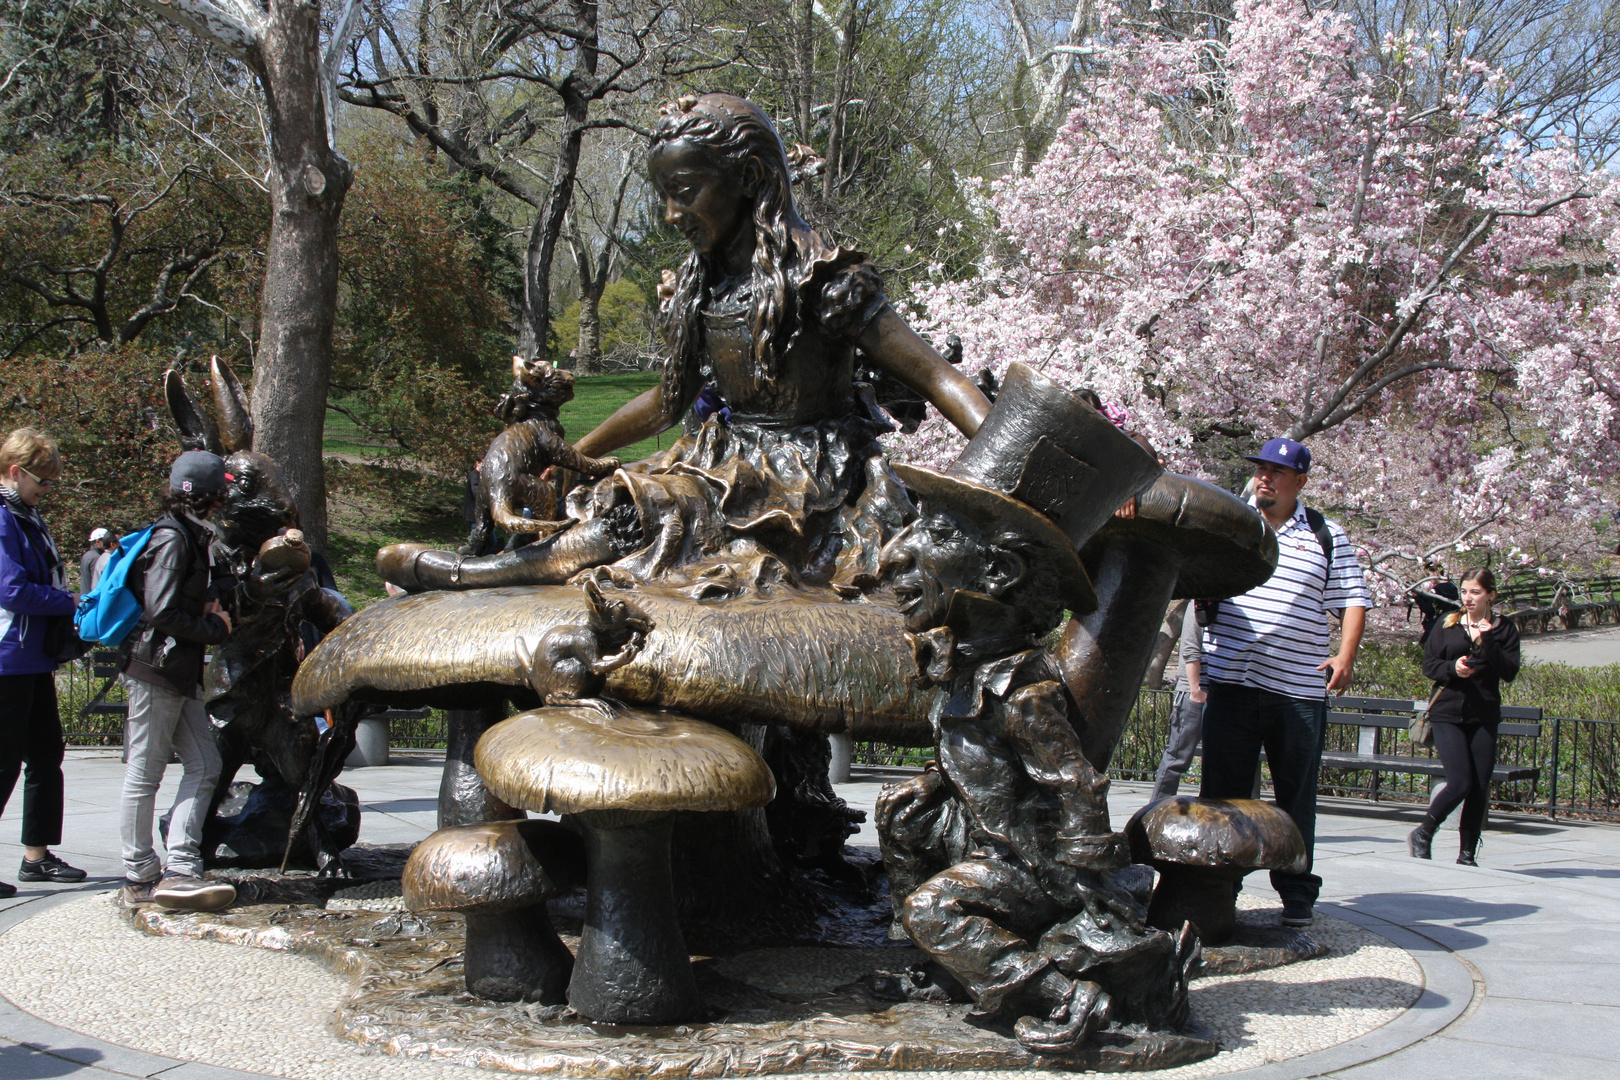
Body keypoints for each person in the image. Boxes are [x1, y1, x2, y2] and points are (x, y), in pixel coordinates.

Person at [377, 92, 988, 595]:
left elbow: (939, 379)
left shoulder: (825, 280)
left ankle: (474, 575)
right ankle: (504, 567)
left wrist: (999, 473)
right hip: (726, 457)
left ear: (748, 179)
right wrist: (573, 456)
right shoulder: (706, 283)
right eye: (664, 194)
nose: (671, 214)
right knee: (609, 493)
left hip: (808, 477)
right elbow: (670, 400)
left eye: (686, 191)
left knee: (654, 507)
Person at [1197, 437, 1370, 928]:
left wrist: (1346, 655)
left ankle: (1296, 892)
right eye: (1260, 469)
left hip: (1297, 687)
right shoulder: (1233, 522)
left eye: (1277, 471)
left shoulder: (1324, 534)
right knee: (1223, 795)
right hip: (1232, 680)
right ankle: (1219, 888)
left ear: (1300, 482)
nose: (1264, 478)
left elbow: (1352, 599)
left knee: (1296, 794)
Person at [118, 450, 236, 911]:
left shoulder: (194, 535)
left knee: (205, 765)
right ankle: (139, 873)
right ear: (207, 496)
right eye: (221, 492)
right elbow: (162, 610)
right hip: (156, 670)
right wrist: (217, 627)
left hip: (177, 671)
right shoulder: (174, 539)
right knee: (145, 773)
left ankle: (182, 866)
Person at [0, 427, 88, 896]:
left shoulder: (25, 515)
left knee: (45, 755)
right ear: (16, 472)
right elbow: (10, 589)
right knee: (3, 762)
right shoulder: (2, 518)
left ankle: (37, 855)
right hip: (6, 659)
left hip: (31, 658)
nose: (47, 489)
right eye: (43, 480)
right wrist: (65, 600)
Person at [1409, 568, 1521, 866]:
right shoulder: (1447, 624)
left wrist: (1490, 641)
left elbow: (1509, 672)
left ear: (1491, 595)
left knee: (1480, 786)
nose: (1468, 598)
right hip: (1446, 712)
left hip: (1483, 714)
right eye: (1465, 591)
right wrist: (1453, 668)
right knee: (1460, 781)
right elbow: (1429, 665)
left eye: (1476, 592)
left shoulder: (1504, 629)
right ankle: (1424, 831)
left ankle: (1467, 852)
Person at [1151, 604, 1206, 802]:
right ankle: (1155, 810)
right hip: (1193, 692)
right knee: (1177, 758)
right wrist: (1195, 690)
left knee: (1219, 761)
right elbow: (1190, 647)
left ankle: (1209, 813)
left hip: (1222, 692)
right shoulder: (1198, 603)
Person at [80, 527, 114, 592]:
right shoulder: (96, 557)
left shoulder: (88, 555)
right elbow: (97, 581)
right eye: (105, 540)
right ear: (97, 542)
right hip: (92, 596)